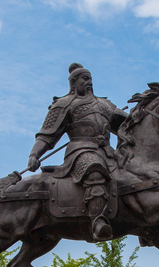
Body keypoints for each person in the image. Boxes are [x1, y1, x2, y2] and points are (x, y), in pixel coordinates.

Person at [27, 63, 127, 240]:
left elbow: (127, 124)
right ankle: (97, 222)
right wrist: (34, 155)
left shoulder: (105, 104)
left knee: (135, 174)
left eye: (90, 79)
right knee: (95, 171)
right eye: (85, 79)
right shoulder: (64, 104)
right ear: (74, 83)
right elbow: (46, 135)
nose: (89, 83)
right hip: (81, 151)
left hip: (108, 153)